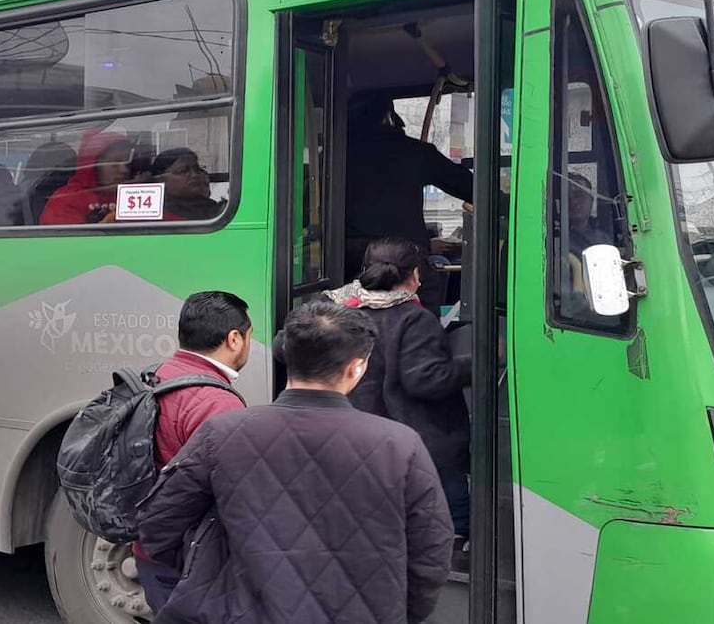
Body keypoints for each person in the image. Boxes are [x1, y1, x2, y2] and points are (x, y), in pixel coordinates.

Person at [138, 302, 454, 624]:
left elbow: (157, 525)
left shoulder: (222, 433)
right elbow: (432, 551)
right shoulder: (401, 444)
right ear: (357, 367)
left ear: (286, 354)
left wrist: (214, 577)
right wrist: (395, 610)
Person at [325, 238, 471, 567]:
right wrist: (475, 364)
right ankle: (454, 545)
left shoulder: (342, 310)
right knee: (448, 498)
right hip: (417, 431)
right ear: (416, 275)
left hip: (359, 426)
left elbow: (287, 344)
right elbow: (426, 379)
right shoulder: (413, 318)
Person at [133, 291, 253, 612]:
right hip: (189, 557)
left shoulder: (157, 376)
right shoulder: (217, 402)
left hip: (150, 547)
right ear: (234, 339)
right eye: (249, 336)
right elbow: (232, 492)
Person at [344, 93, 474, 307]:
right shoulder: (415, 152)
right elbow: (471, 188)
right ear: (387, 117)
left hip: (347, 263)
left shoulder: (332, 155)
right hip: (405, 262)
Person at [39, 130, 136, 225]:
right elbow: (67, 238)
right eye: (115, 163)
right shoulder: (66, 199)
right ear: (93, 165)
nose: (124, 170)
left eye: (127, 163)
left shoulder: (134, 194)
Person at [149, 147, 226, 221]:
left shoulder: (216, 209)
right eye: (183, 170)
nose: (195, 175)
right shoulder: (161, 216)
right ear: (161, 180)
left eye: (197, 169)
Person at [565, 172, 613, 252]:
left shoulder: (605, 237)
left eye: (579, 195)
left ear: (591, 200)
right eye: (567, 197)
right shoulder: (556, 238)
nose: (573, 201)